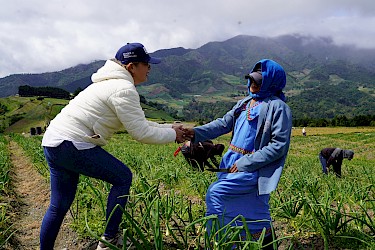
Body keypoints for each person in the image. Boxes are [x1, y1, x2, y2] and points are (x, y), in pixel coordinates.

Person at [40, 42, 187, 250]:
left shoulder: (107, 83)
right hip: (72, 143)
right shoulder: (123, 89)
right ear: (131, 67)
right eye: (145, 64)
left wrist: (171, 127)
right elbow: (141, 133)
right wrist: (174, 135)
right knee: (122, 177)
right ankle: (109, 240)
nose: (149, 68)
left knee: (59, 205)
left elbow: (140, 123)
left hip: (54, 143)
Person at [185, 59, 292, 249]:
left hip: (253, 166)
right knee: (254, 206)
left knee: (215, 194)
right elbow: (223, 124)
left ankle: (220, 242)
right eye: (252, 79)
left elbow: (279, 145)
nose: (253, 84)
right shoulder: (245, 103)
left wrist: (246, 163)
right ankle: (266, 241)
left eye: (258, 81)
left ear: (271, 82)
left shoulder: (279, 108)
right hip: (231, 161)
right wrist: (195, 133)